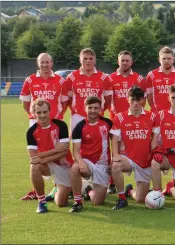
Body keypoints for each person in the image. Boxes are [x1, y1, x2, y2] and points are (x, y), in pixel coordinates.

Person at [19, 53, 68, 201]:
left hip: (55, 122)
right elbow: (26, 103)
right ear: (37, 63)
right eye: (42, 62)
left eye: (47, 62)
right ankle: (37, 190)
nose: (45, 65)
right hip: (36, 121)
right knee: (36, 157)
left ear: (52, 63)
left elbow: (65, 102)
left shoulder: (60, 80)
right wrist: (36, 116)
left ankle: (58, 185)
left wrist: (58, 116)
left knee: (60, 156)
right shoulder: (30, 80)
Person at [109, 86, 160, 210]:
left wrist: (154, 154)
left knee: (140, 199)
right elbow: (115, 138)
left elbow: (154, 141)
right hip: (128, 158)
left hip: (145, 161)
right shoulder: (120, 117)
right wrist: (115, 155)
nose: (136, 103)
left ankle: (130, 191)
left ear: (143, 100)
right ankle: (121, 198)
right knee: (115, 165)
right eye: (133, 100)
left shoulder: (153, 116)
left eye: (139, 100)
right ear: (127, 99)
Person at [108, 50, 146, 194]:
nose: (124, 63)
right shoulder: (110, 78)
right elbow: (107, 100)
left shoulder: (139, 78)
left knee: (136, 147)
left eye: (127, 60)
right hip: (117, 120)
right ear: (118, 61)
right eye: (122, 60)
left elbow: (143, 99)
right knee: (115, 151)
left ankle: (140, 178)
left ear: (132, 62)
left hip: (134, 120)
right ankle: (112, 183)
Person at [26, 98, 74, 213]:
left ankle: (59, 189)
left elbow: (64, 151)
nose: (42, 115)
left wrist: (43, 158)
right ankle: (42, 202)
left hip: (64, 165)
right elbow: (34, 158)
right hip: (47, 165)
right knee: (34, 167)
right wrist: (55, 150)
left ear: (49, 111)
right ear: (34, 114)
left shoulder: (60, 125)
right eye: (38, 112)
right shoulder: (31, 132)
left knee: (61, 203)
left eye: (44, 112)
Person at [69, 96, 113, 212]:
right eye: (90, 108)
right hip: (87, 162)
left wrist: (113, 161)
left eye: (96, 108)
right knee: (75, 168)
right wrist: (81, 162)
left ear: (100, 109)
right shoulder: (79, 127)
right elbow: (76, 151)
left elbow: (116, 144)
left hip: (102, 165)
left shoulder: (108, 123)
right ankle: (77, 202)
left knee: (97, 202)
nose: (93, 111)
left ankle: (88, 190)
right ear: (85, 108)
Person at [63, 48, 113, 132]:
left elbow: (108, 99)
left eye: (91, 58)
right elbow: (69, 99)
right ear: (80, 60)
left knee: (97, 142)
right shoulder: (71, 77)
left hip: (97, 116)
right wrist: (76, 110)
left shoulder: (104, 77)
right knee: (77, 143)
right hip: (77, 116)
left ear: (95, 60)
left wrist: (99, 110)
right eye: (85, 58)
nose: (88, 61)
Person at [145, 46, 175, 113]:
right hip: (158, 114)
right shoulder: (151, 75)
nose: (166, 61)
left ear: (173, 59)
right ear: (159, 60)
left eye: (169, 58)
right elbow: (149, 97)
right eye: (164, 58)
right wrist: (155, 111)